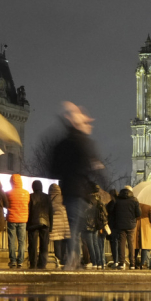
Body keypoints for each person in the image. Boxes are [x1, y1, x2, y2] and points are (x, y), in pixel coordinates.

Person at [50, 102, 101, 270]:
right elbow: (94, 165)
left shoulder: (63, 143)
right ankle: (74, 257)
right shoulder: (84, 142)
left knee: (73, 227)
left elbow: (53, 168)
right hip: (81, 192)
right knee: (75, 227)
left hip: (70, 190)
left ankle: (73, 256)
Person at [111, 185, 141, 269]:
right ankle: (132, 263)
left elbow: (113, 212)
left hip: (120, 225)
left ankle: (121, 263)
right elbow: (139, 213)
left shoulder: (117, 200)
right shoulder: (134, 200)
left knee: (121, 243)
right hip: (131, 225)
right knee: (131, 243)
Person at [26, 180, 52, 269]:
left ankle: (33, 263)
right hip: (45, 223)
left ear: (33, 187)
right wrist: (50, 226)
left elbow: (28, 212)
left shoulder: (31, 197)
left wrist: (27, 225)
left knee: (33, 245)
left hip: (33, 223)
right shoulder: (47, 197)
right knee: (44, 245)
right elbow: (50, 212)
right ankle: (42, 264)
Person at [6, 174, 29, 269]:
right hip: (23, 220)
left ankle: (13, 260)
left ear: (11, 182)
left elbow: (6, 205)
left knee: (11, 241)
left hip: (11, 219)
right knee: (22, 241)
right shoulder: (26, 193)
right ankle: (20, 261)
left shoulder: (8, 193)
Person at [84, 186, 108, 269]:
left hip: (88, 225)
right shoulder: (99, 201)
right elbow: (105, 214)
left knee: (90, 244)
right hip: (97, 225)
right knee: (96, 244)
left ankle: (94, 262)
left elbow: (84, 213)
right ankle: (99, 262)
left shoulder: (87, 200)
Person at [49, 184, 70, 267]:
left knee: (57, 242)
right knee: (64, 242)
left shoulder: (50, 199)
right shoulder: (63, 198)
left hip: (55, 224)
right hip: (64, 224)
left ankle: (58, 259)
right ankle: (64, 259)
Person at [137, 202, 151, 269]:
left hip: (137, 225)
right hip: (146, 225)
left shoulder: (137, 204)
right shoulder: (149, 206)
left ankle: (134, 262)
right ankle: (143, 263)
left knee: (136, 245)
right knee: (145, 246)